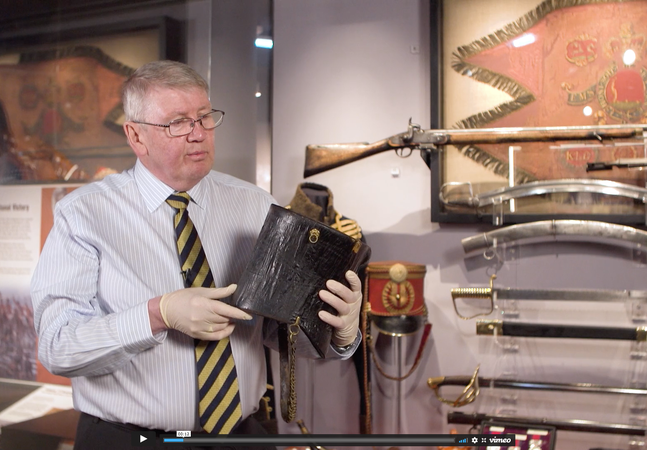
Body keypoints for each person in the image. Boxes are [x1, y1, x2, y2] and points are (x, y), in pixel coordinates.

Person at [30, 60, 363, 450]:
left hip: (241, 436)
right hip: (130, 440)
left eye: (205, 117)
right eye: (177, 123)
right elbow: (59, 347)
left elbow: (276, 330)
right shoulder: (84, 214)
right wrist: (158, 314)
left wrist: (339, 331)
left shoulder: (254, 206)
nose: (198, 134)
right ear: (136, 136)